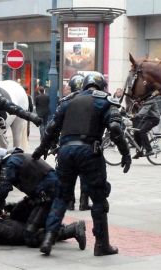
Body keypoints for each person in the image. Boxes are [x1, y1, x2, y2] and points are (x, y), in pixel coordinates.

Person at [32, 71, 131, 256]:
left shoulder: (68, 101)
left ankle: (49, 237)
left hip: (65, 152)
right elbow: (116, 128)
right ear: (102, 86)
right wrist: (125, 153)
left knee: (61, 196)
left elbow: (51, 129)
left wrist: (40, 151)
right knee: (99, 199)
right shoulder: (105, 101)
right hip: (89, 152)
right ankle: (101, 245)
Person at [0, 147, 86, 249]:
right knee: (17, 212)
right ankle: (53, 227)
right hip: (44, 195)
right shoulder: (18, 159)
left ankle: (72, 229)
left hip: (47, 197)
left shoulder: (9, 163)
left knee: (29, 236)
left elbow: (4, 188)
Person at [65, 73, 92, 211]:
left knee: (69, 176)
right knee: (85, 175)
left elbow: (55, 124)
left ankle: (70, 203)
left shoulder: (66, 101)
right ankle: (84, 202)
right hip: (86, 144)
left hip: (67, 144)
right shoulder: (90, 100)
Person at [132, 94, 160, 159]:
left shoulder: (150, 100)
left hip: (154, 118)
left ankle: (149, 150)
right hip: (147, 118)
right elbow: (141, 110)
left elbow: (144, 111)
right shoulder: (144, 100)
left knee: (142, 131)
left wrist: (135, 116)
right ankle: (139, 151)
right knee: (136, 131)